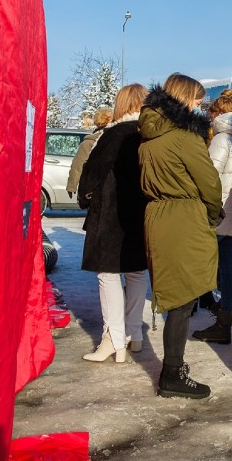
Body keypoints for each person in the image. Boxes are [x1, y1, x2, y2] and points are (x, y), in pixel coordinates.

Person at [138, 74, 222, 399]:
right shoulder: (184, 137)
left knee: (177, 296)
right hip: (184, 217)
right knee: (183, 300)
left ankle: (173, 369)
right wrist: (213, 214)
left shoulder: (148, 135)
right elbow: (210, 183)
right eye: (197, 101)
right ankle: (172, 373)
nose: (199, 107)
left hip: (157, 215)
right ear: (185, 99)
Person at [78, 85, 149, 363]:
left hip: (110, 215)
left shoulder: (114, 134)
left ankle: (113, 339)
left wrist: (86, 198)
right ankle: (134, 334)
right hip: (141, 213)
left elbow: (92, 172)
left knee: (107, 275)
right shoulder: (147, 135)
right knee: (136, 273)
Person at [192, 89, 232, 345]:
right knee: (227, 270)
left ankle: (193, 309)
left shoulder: (222, 139)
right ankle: (225, 322)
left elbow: (209, 176)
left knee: (203, 264)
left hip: (218, 213)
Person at [67, 106, 113, 198]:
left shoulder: (89, 142)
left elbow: (77, 165)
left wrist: (71, 186)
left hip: (94, 189)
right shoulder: (117, 137)